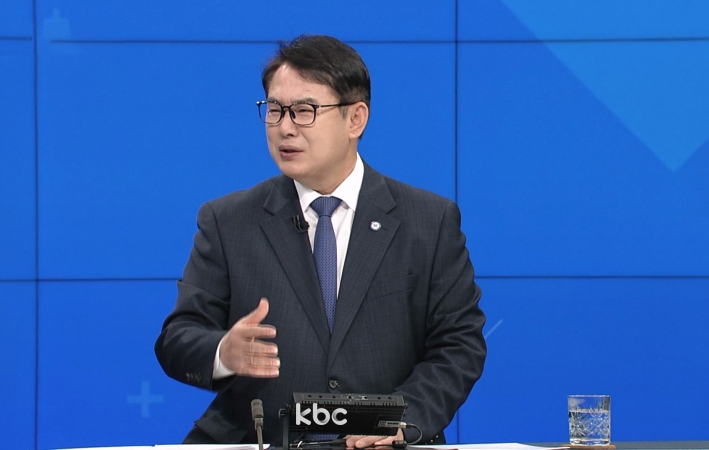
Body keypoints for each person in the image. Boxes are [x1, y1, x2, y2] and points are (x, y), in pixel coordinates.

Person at [155, 34, 486, 447]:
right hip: (260, 439)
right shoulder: (228, 220)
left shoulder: (428, 221)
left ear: (355, 119)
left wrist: (399, 419)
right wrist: (223, 351)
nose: (284, 127)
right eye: (274, 110)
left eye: (304, 111)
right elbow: (179, 337)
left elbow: (458, 345)